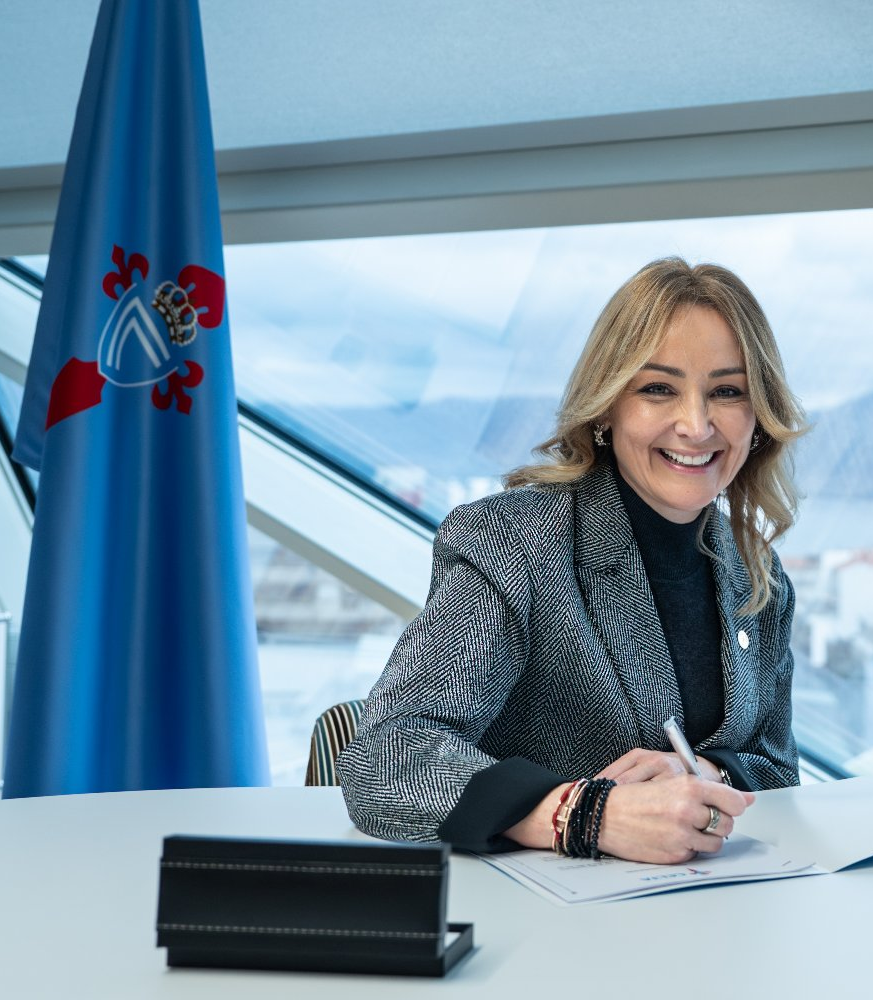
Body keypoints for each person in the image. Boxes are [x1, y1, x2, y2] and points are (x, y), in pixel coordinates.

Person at [339, 257, 807, 863]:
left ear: (758, 417)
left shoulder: (760, 576)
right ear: (609, 407)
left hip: (709, 917)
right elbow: (388, 756)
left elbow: (778, 767)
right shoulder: (513, 541)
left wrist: (705, 776)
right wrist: (584, 814)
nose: (696, 424)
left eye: (727, 391)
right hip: (540, 926)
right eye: (658, 388)